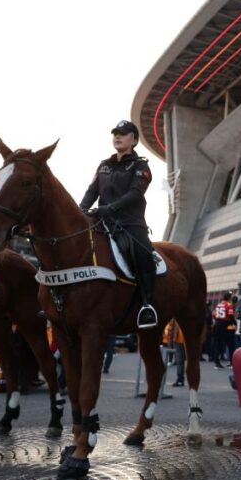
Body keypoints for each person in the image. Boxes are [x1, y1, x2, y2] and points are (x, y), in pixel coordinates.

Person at [78, 120, 158, 328]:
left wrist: (111, 208)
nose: (117, 137)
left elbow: (135, 193)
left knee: (142, 253)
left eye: (122, 134)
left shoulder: (141, 165)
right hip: (101, 222)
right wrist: (80, 211)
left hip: (130, 224)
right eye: (115, 134)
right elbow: (92, 191)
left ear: (134, 139)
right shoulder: (104, 165)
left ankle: (147, 306)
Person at [211, 293, 235, 369]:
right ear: (229, 298)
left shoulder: (218, 304)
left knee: (217, 344)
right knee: (231, 344)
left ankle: (216, 362)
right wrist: (234, 323)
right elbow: (230, 315)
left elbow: (214, 314)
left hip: (217, 324)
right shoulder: (229, 305)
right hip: (226, 325)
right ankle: (231, 362)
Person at [164, 319, 185, 387]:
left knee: (180, 360)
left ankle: (180, 380)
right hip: (180, 339)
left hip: (180, 339)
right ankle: (180, 379)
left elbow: (171, 326)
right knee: (180, 360)